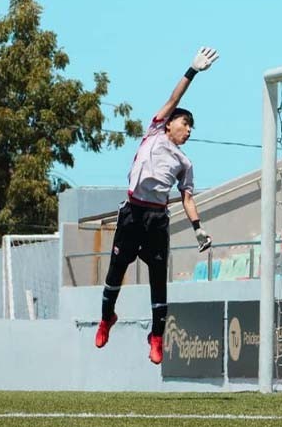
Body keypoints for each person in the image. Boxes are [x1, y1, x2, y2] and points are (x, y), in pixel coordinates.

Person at [94, 47, 219, 364]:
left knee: (158, 281)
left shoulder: (184, 162)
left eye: (192, 127)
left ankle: (157, 337)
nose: (188, 129)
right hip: (132, 213)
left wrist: (198, 229)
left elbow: (187, 198)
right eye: (185, 123)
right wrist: (192, 71)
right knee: (115, 272)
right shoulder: (154, 132)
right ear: (168, 124)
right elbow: (174, 98)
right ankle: (107, 318)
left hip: (157, 219)